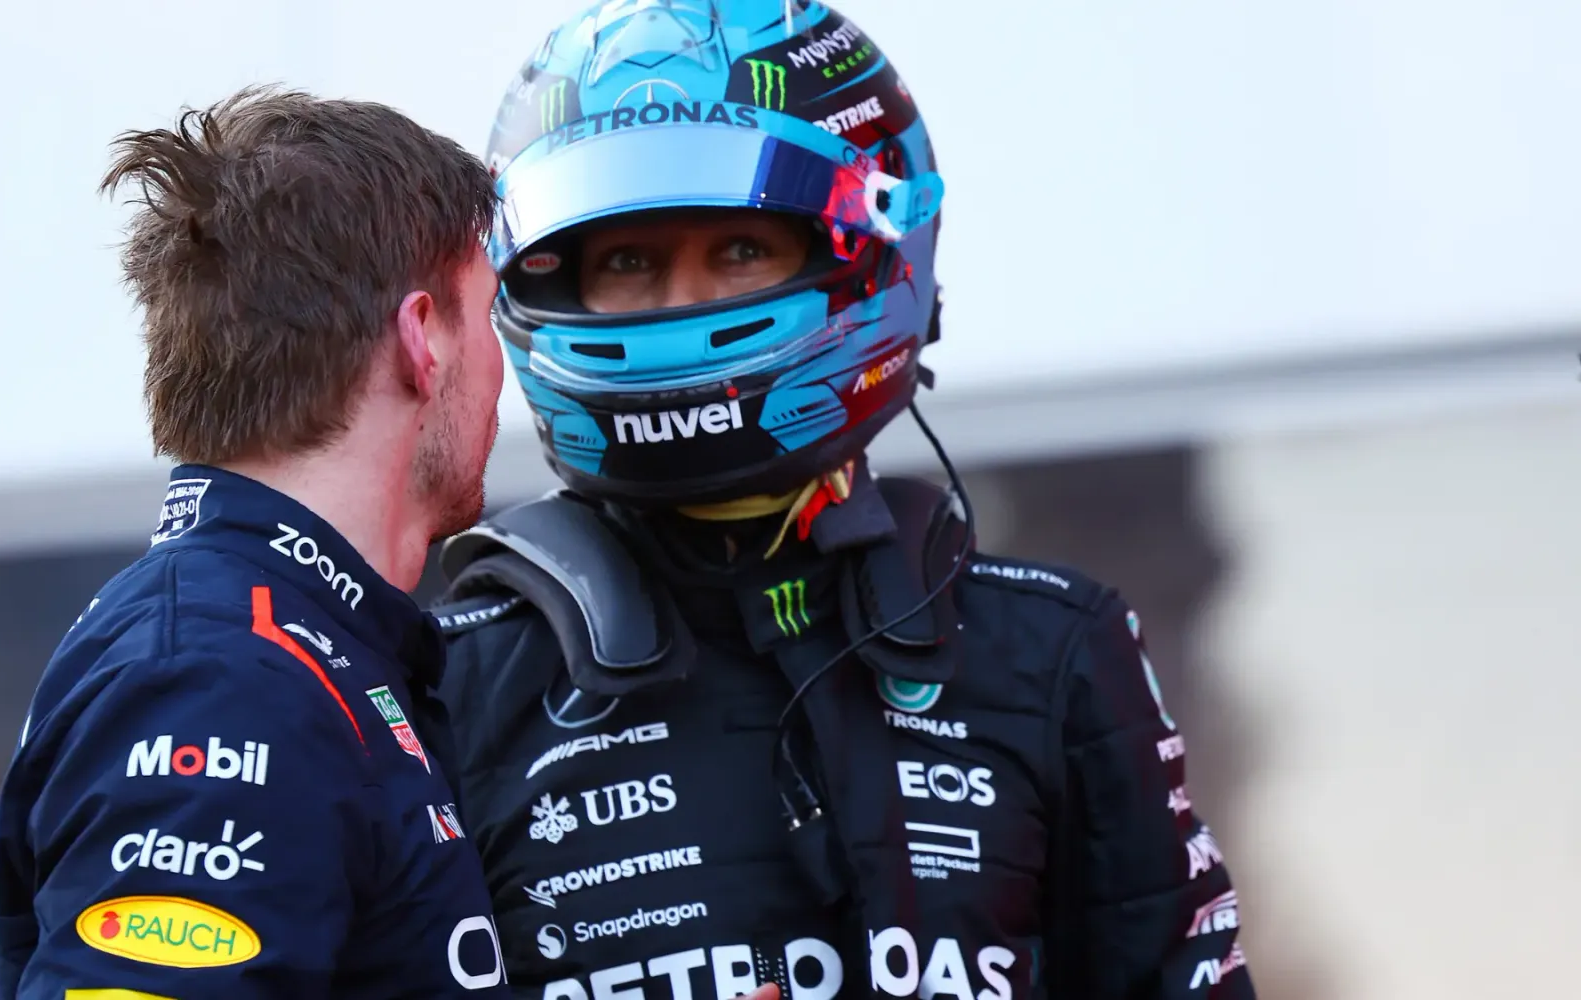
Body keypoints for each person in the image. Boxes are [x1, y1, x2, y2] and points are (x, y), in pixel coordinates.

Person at [427, 2, 1256, 999]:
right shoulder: (448, 685)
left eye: (737, 251)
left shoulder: (1049, 651)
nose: (681, 303)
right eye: (629, 262)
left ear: (865, 250)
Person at [0, 84, 514, 999]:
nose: (507, 368)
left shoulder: (289, 645)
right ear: (422, 339)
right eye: (490, 314)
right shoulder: (220, 679)